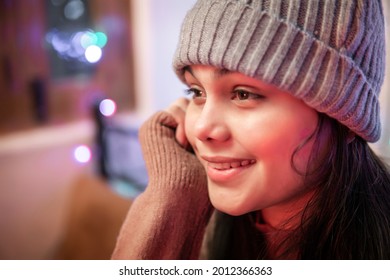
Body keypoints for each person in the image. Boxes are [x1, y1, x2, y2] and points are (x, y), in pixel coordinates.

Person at [112, 0, 390, 259]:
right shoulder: (212, 227)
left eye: (243, 94)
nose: (202, 129)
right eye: (196, 92)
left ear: (346, 116)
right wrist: (171, 197)